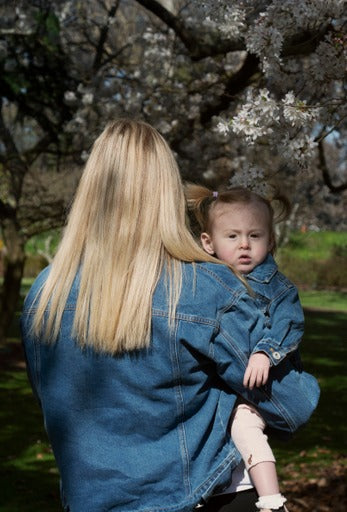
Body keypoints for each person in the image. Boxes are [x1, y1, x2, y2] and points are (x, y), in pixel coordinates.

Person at [21, 120, 319, 512]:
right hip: (201, 498)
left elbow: (54, 402)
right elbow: (291, 405)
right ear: (165, 191)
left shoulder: (46, 292)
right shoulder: (203, 289)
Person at [185, 184, 320, 512]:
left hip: (261, 387)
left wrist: (265, 352)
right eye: (232, 236)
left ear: (270, 241)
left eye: (255, 236)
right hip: (229, 389)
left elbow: (289, 323)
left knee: (245, 429)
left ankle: (273, 501)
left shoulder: (277, 286)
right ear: (209, 243)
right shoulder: (204, 280)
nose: (244, 245)